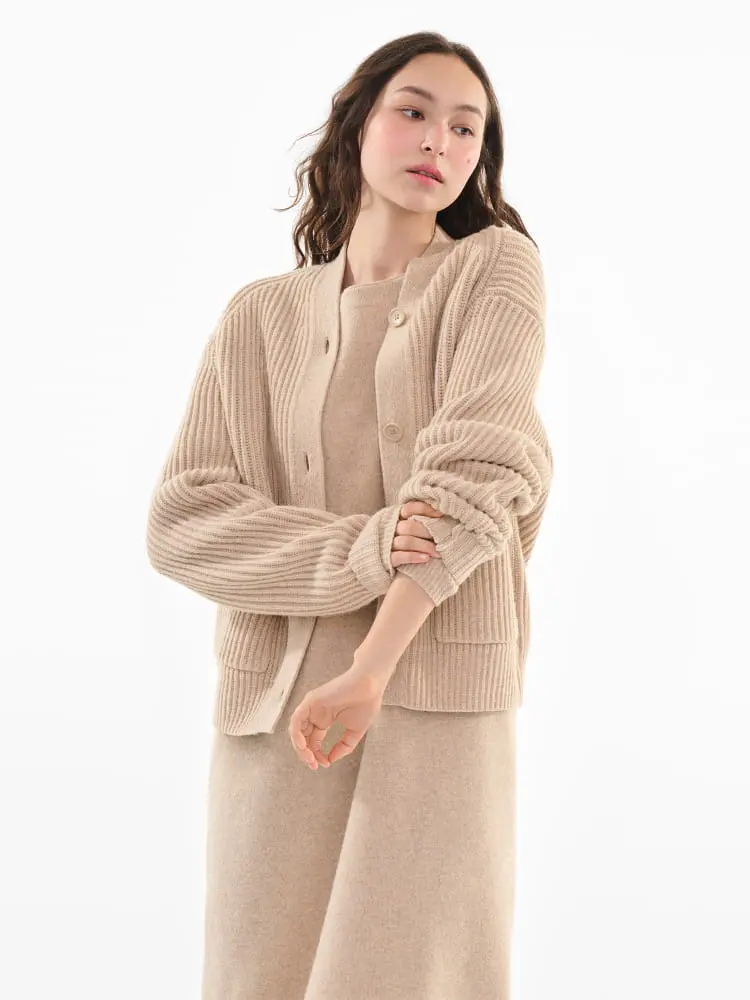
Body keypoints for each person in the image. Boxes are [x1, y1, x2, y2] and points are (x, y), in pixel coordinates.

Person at [146, 30, 553, 1000]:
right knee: (261, 976)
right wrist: (362, 549)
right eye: (414, 111)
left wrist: (370, 667)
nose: (440, 141)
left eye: (467, 127)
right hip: (278, 706)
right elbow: (183, 520)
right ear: (356, 122)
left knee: (413, 973)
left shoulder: (495, 270)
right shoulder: (259, 316)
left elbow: (474, 474)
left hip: (433, 689)